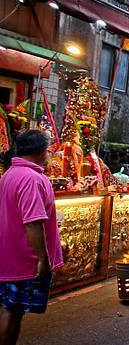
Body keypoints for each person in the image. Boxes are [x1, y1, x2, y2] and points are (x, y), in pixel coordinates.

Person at [0, 130, 63, 345]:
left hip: (9, 255)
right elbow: (33, 222)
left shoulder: (10, 174)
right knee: (13, 312)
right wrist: (43, 260)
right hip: (23, 260)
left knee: (10, 308)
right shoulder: (31, 179)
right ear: (41, 152)